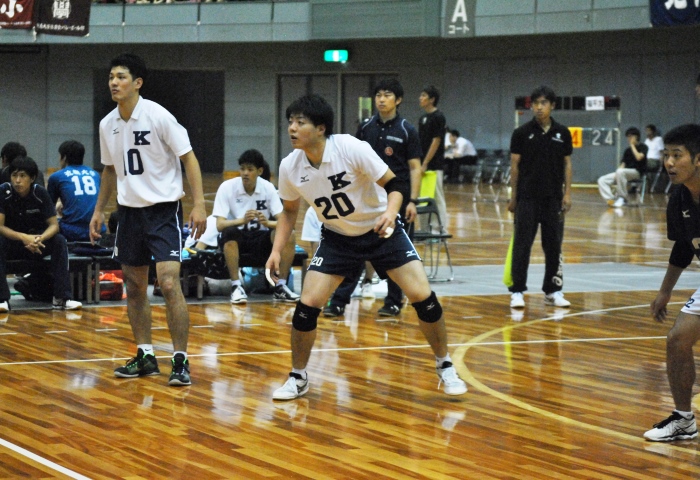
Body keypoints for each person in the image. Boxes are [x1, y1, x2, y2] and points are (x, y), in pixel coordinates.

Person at [266, 93, 467, 400]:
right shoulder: (289, 166)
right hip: (337, 238)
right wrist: (276, 250)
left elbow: (396, 184)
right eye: (290, 122)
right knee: (306, 307)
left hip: (380, 231)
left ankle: (445, 365)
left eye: (300, 122)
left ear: (320, 128)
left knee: (423, 298)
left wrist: (390, 212)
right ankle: (298, 376)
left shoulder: (350, 147)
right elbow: (289, 211)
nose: (292, 128)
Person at [89, 53, 207, 387]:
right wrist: (98, 210)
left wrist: (199, 204)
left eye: (121, 77)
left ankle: (180, 359)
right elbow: (109, 170)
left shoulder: (158, 116)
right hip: (129, 213)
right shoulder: (107, 124)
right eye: (111, 77)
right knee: (134, 285)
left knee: (168, 283)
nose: (114, 82)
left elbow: (189, 158)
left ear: (137, 83)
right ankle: (145, 355)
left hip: (163, 210)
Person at [645, 123, 700, 442]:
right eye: (666, 155)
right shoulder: (679, 198)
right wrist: (665, 291)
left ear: (698, 159)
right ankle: (683, 420)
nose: (669, 162)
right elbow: (683, 246)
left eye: (677, 155)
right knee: (677, 340)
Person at [507, 85, 572, 309]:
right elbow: (514, 166)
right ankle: (517, 291)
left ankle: (553, 290)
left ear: (552, 105)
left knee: (553, 246)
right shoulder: (521, 133)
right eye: (535, 103)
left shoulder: (563, 133)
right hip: (527, 198)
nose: (539, 107)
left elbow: (567, 164)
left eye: (543, 103)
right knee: (522, 245)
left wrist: (567, 193)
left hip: (553, 198)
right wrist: (514, 197)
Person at [212, 148, 300, 304]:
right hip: (237, 239)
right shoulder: (227, 187)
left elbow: (285, 222)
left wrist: (267, 223)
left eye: (250, 169)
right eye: (242, 169)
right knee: (229, 232)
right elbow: (219, 225)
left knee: (288, 234)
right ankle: (236, 286)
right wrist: (241, 220)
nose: (245, 173)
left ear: (260, 171)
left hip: (260, 239)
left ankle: (281, 286)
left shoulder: (268, 188)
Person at [0, 156, 82, 312]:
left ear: (32, 178)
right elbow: (0, 226)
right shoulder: (3, 192)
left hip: (37, 245)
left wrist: (40, 239)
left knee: (59, 240)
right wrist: (23, 238)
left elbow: (54, 225)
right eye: (14, 175)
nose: (17, 180)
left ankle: (62, 298)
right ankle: (2, 300)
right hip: (13, 244)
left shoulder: (40, 193)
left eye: (22, 176)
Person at [47, 140, 105, 242]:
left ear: (64, 158)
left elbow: (48, 209)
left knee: (51, 223)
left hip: (71, 232)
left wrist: (58, 207)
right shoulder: (95, 174)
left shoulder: (57, 176)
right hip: (98, 229)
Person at [418, 85, 448, 232]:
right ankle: (425, 229)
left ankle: (439, 230)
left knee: (436, 198)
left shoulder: (438, 117)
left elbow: (436, 141)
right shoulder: (422, 118)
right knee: (422, 197)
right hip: (421, 165)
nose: (420, 98)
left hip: (434, 166)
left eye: (424, 95)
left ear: (432, 99)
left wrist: (426, 162)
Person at [597, 127, 648, 208]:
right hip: (623, 173)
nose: (629, 139)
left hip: (637, 172)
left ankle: (623, 198)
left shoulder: (643, 147)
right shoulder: (627, 150)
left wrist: (632, 145)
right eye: (628, 137)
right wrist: (616, 174)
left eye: (630, 136)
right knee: (602, 180)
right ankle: (611, 199)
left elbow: (639, 157)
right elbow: (623, 164)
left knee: (620, 172)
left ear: (636, 136)